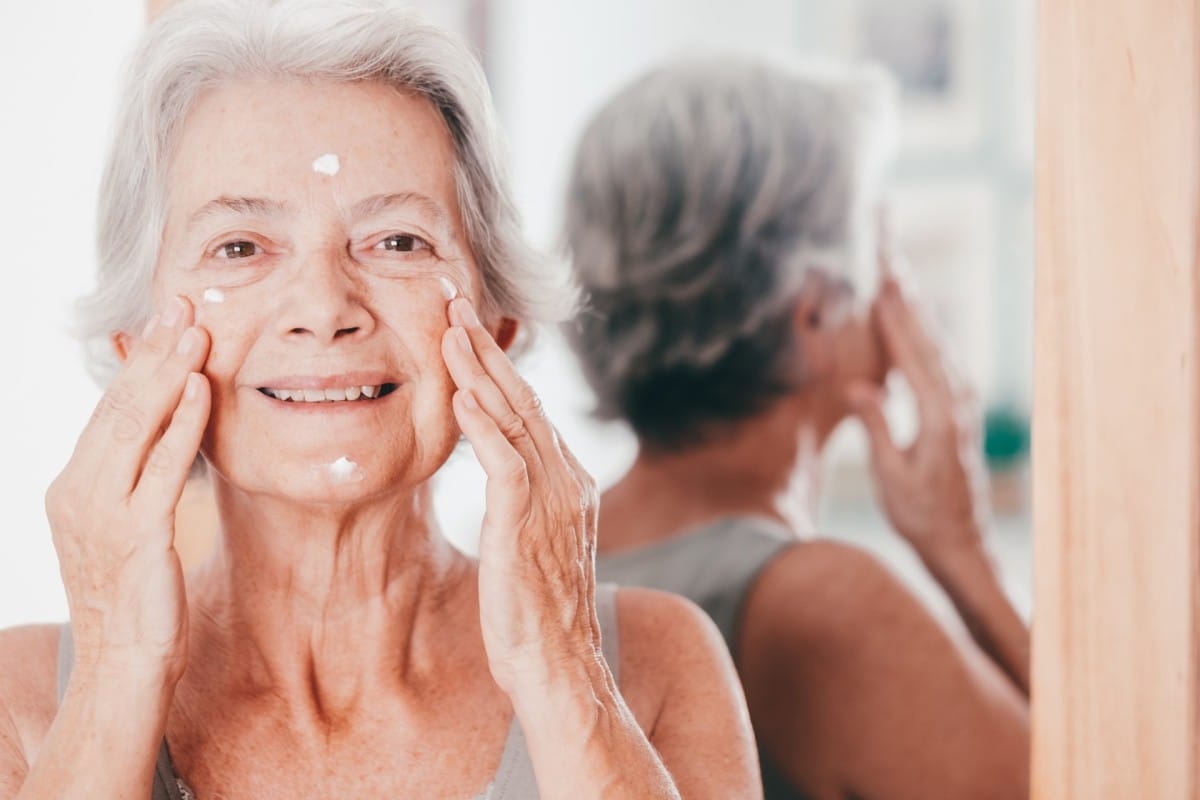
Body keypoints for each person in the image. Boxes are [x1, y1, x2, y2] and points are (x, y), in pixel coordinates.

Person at [0, 4, 760, 798]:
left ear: (497, 323)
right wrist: (118, 670)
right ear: (135, 345)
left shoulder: (657, 658)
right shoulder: (20, 700)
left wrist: (562, 668)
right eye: (240, 247)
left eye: (398, 241)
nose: (325, 307)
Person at [565, 57, 1030, 800]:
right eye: (883, 245)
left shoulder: (535, 572)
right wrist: (963, 550)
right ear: (813, 310)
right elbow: (1124, 776)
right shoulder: (823, 607)